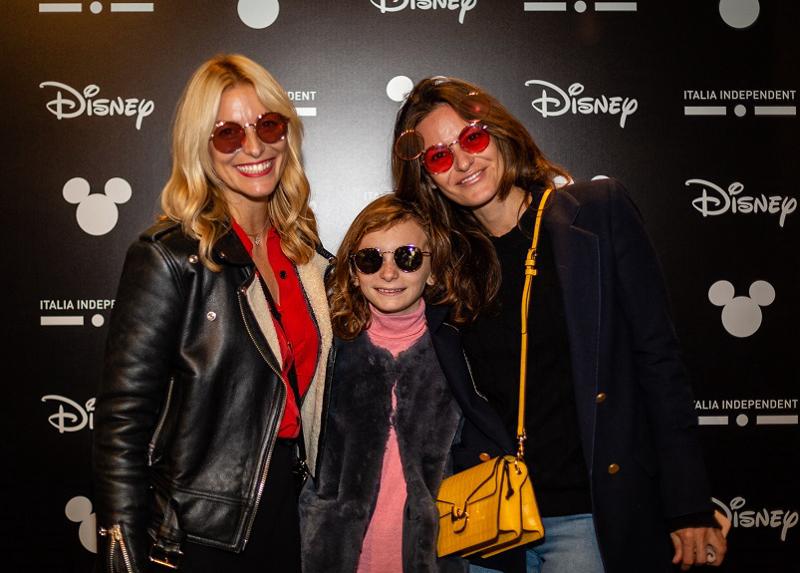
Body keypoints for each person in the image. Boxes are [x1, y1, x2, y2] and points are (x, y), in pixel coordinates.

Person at [391, 76, 727, 573]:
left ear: (499, 133)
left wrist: (689, 502)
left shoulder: (597, 213)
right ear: (428, 177)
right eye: (439, 157)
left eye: (471, 138)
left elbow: (659, 361)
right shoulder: (446, 262)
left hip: (587, 517)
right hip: (489, 523)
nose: (462, 162)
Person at [92, 54, 332, 573]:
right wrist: (121, 542)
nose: (254, 146)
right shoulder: (171, 257)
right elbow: (122, 419)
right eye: (227, 134)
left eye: (267, 125)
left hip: (290, 514)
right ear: (200, 148)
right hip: (200, 529)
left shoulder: (304, 256)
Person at [300, 195, 494, 573]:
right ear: (353, 272)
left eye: (407, 257)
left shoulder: (459, 349)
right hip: (333, 553)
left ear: (433, 269)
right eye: (371, 259)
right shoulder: (329, 348)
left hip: (435, 556)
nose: (388, 274)